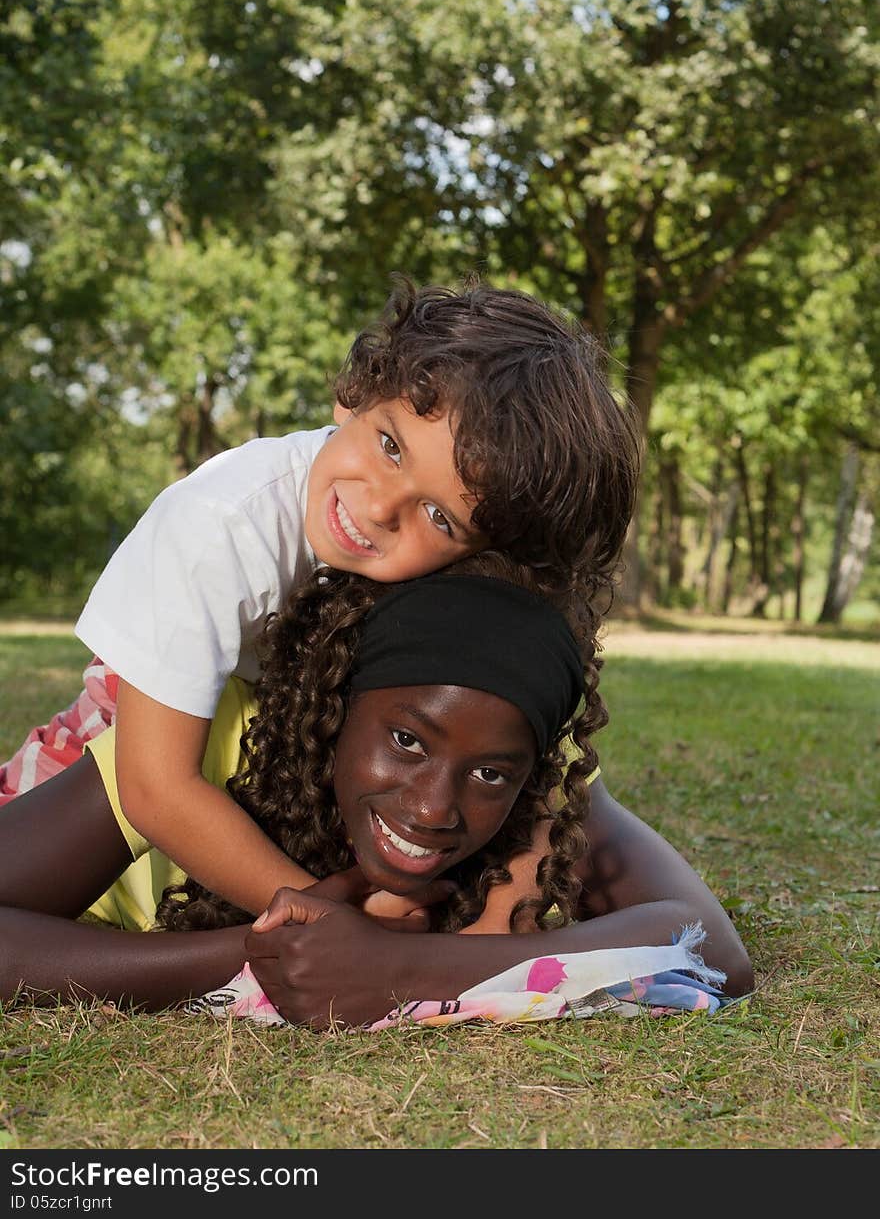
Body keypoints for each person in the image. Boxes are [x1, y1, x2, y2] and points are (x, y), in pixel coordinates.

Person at [0, 276, 641, 929]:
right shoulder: (222, 523)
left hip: (280, 775)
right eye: (390, 446)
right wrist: (337, 920)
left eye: (439, 516)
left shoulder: (453, 585)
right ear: (354, 393)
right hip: (115, 760)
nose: (378, 507)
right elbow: (153, 788)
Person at [0, 558, 753, 1023]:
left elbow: (710, 947)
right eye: (407, 741)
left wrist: (398, 971)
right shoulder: (212, 740)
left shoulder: (537, 795)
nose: (433, 808)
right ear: (336, 706)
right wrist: (257, 951)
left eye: (491, 773)